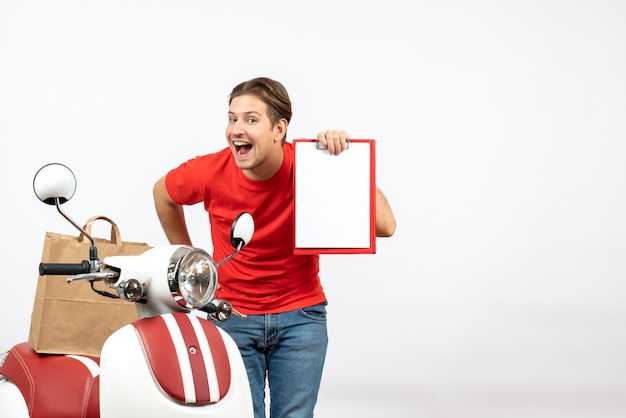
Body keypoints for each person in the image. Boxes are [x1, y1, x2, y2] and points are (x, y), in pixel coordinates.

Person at [152, 77, 396, 418]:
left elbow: (386, 226)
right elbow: (163, 193)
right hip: (232, 316)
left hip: (302, 318)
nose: (237, 129)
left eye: (251, 119)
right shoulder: (210, 171)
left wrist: (347, 164)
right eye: (232, 118)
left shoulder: (310, 167)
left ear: (279, 129)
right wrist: (191, 263)